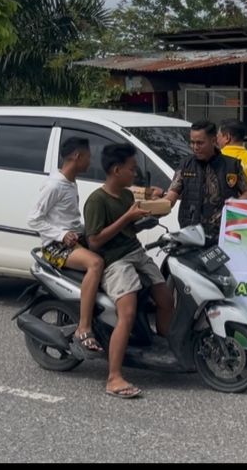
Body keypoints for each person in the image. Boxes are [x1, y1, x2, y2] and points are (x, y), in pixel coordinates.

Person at [84, 143, 176, 400]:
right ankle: (113, 377)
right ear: (116, 170)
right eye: (132, 169)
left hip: (135, 253)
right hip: (115, 261)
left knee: (166, 298)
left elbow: (128, 231)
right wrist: (126, 219)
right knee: (128, 311)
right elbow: (95, 241)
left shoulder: (125, 195)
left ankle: (163, 347)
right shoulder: (97, 201)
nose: (134, 173)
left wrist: (141, 222)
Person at [27, 136, 104, 357]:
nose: (90, 161)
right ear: (77, 156)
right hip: (54, 247)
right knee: (96, 264)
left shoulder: (70, 182)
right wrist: (61, 235)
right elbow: (33, 219)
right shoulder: (54, 185)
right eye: (88, 157)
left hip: (74, 240)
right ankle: (84, 326)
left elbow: (68, 218)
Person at [161, 120, 247, 244]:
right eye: (192, 143)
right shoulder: (185, 165)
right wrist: (157, 205)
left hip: (223, 235)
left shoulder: (232, 166)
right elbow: (172, 194)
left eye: (200, 143)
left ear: (214, 140)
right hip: (191, 235)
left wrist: (233, 206)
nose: (195, 147)